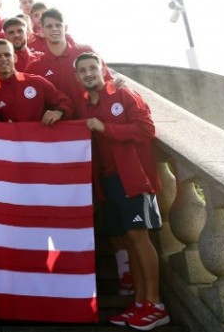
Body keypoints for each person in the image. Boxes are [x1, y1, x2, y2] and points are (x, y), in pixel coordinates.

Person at [74, 53, 168, 330]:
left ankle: (156, 304)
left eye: (93, 67)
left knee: (140, 239)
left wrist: (106, 128)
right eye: (83, 70)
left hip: (132, 178)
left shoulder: (124, 94)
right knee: (128, 241)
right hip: (107, 182)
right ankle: (140, 303)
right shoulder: (84, 107)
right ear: (77, 77)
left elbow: (145, 128)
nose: (89, 73)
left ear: (102, 69)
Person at [26, 8, 105, 108]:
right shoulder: (35, 67)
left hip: (90, 121)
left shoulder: (86, 52)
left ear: (66, 28)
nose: (54, 29)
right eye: (49, 26)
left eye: (58, 25)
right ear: (42, 30)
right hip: (58, 122)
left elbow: (108, 84)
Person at [0, 39, 72, 124]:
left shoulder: (37, 81)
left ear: (15, 58)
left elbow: (65, 102)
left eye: (7, 55)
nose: (3, 59)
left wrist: (58, 112)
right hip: (12, 137)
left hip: (39, 136)